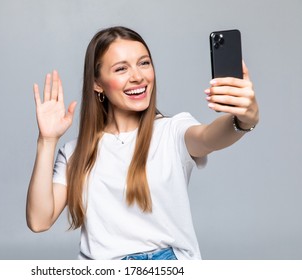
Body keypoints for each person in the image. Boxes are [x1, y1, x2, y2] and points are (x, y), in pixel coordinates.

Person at [26, 26, 259, 260]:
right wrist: (46, 140)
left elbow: (208, 137)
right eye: (121, 69)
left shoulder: (172, 131)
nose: (138, 76)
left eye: (144, 63)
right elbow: (39, 221)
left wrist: (244, 119)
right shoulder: (75, 153)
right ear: (98, 84)